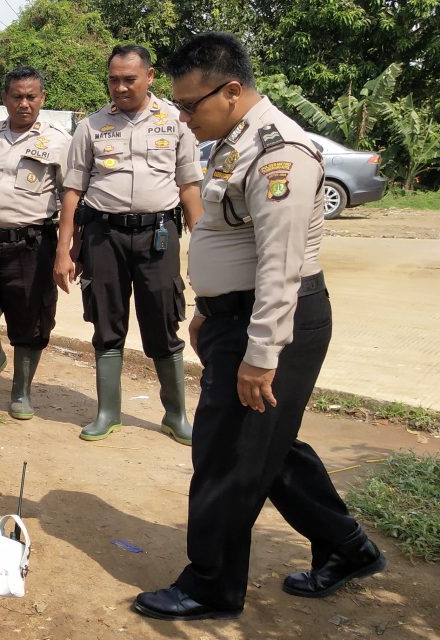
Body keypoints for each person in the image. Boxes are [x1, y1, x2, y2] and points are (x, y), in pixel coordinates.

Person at [132, 32, 386, 621]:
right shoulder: (230, 142)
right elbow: (228, 237)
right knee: (267, 446)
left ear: (232, 91)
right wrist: (207, 310)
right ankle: (348, 548)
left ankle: (210, 585)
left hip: (274, 319)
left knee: (226, 454)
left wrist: (261, 352)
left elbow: (281, 264)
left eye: (191, 105)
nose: (183, 116)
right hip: (237, 318)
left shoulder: (280, 154)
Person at [54, 45, 203, 445]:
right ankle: (108, 412)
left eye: (129, 79)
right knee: (106, 322)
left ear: (149, 76)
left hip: (158, 235)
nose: (120, 87)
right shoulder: (91, 126)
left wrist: (203, 248)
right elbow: (73, 189)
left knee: (163, 320)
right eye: (113, 80)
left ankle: (175, 415)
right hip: (103, 236)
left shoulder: (176, 121)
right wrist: (64, 248)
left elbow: (189, 187)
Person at [0, 66, 70, 419]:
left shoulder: (58, 141)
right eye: (17, 96)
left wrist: (68, 249)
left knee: (30, 320)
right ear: (5, 98)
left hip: (31, 244)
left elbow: (70, 196)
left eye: (31, 97)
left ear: (42, 99)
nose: (24, 104)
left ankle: (21, 389)